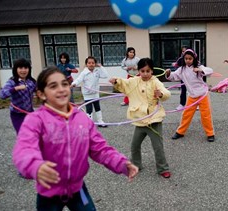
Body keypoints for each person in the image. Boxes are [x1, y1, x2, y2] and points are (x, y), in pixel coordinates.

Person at [13, 66, 138, 210]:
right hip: (48, 192)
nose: (61, 89)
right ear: (41, 94)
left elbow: (100, 149)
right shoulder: (35, 120)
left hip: (77, 189)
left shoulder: (82, 119)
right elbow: (24, 149)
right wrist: (35, 166)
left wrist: (121, 163)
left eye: (64, 84)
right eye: (53, 86)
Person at [109, 58, 172, 179]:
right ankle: (136, 165)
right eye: (142, 71)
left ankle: (163, 168)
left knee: (158, 147)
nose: (145, 74)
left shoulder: (155, 81)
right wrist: (116, 81)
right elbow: (124, 83)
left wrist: (161, 94)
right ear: (139, 71)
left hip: (154, 121)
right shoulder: (134, 81)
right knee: (134, 145)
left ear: (152, 71)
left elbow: (165, 92)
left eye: (148, 71)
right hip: (140, 121)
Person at [165, 49, 216, 142]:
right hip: (192, 96)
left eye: (190, 58)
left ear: (194, 59)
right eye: (186, 58)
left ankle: (210, 133)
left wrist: (200, 70)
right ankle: (180, 132)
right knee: (186, 115)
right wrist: (168, 73)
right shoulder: (181, 69)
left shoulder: (198, 67)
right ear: (183, 59)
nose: (188, 60)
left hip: (202, 95)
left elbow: (210, 71)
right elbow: (173, 76)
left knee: (206, 115)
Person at [0, 58, 36, 134]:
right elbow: (2, 95)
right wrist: (16, 88)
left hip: (30, 113)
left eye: (25, 68)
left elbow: (41, 90)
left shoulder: (31, 81)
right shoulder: (12, 81)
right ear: (16, 69)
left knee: (34, 134)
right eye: (20, 68)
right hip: (17, 115)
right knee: (23, 135)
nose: (23, 70)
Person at [71, 56, 109, 128]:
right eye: (89, 63)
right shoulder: (84, 73)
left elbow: (105, 76)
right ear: (86, 64)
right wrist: (74, 84)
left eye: (93, 63)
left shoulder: (97, 71)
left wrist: (101, 67)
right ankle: (89, 123)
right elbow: (79, 79)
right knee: (89, 109)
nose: (91, 64)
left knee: (97, 107)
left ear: (95, 64)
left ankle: (100, 121)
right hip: (87, 94)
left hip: (95, 93)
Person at [172, 46, 189, 110]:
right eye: (183, 51)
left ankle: (196, 104)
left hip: (192, 79)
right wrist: (174, 64)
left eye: (185, 51)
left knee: (194, 91)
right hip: (184, 78)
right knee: (183, 91)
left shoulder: (193, 58)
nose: (184, 52)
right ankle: (182, 104)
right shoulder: (180, 59)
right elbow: (177, 65)